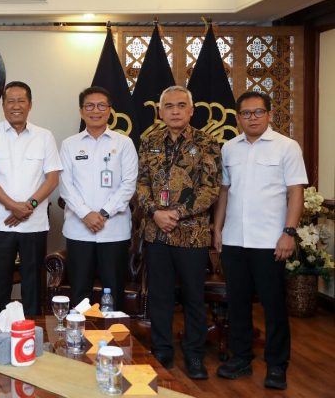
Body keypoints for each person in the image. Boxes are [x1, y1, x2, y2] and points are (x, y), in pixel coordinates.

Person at [213, 91, 306, 390]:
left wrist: (289, 233)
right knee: (237, 304)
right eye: (246, 113)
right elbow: (224, 191)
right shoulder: (229, 148)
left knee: (273, 306)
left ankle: (277, 365)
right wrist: (218, 229)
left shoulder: (287, 147)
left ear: (269, 114)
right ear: (237, 117)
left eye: (258, 112)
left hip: (270, 240)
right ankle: (241, 358)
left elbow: (296, 192)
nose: (252, 118)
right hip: (235, 239)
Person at [136, 85, 221, 380]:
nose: (175, 111)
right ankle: (162, 351)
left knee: (193, 297)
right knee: (160, 296)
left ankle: (194, 355)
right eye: (169, 106)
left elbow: (210, 189)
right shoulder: (149, 141)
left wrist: (176, 214)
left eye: (181, 105)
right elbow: (141, 184)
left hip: (192, 234)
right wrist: (155, 212)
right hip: (156, 233)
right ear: (160, 112)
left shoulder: (207, 143)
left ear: (191, 110)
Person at [0, 81, 62, 317]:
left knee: (33, 284)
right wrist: (13, 206)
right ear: (3, 105)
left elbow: (52, 179)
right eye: (11, 101)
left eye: (21, 101)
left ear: (30, 105)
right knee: (0, 283)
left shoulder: (44, 136)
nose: (16, 106)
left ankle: (33, 332)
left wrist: (28, 207)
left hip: (34, 224)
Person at [59, 86, 138, 309]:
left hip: (114, 230)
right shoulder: (69, 144)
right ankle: (79, 331)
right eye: (90, 106)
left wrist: (103, 213)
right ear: (81, 111)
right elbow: (65, 185)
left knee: (113, 290)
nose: (96, 111)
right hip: (78, 229)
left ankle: (113, 331)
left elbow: (129, 184)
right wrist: (86, 214)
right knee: (79, 291)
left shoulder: (124, 143)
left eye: (101, 106)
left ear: (110, 110)